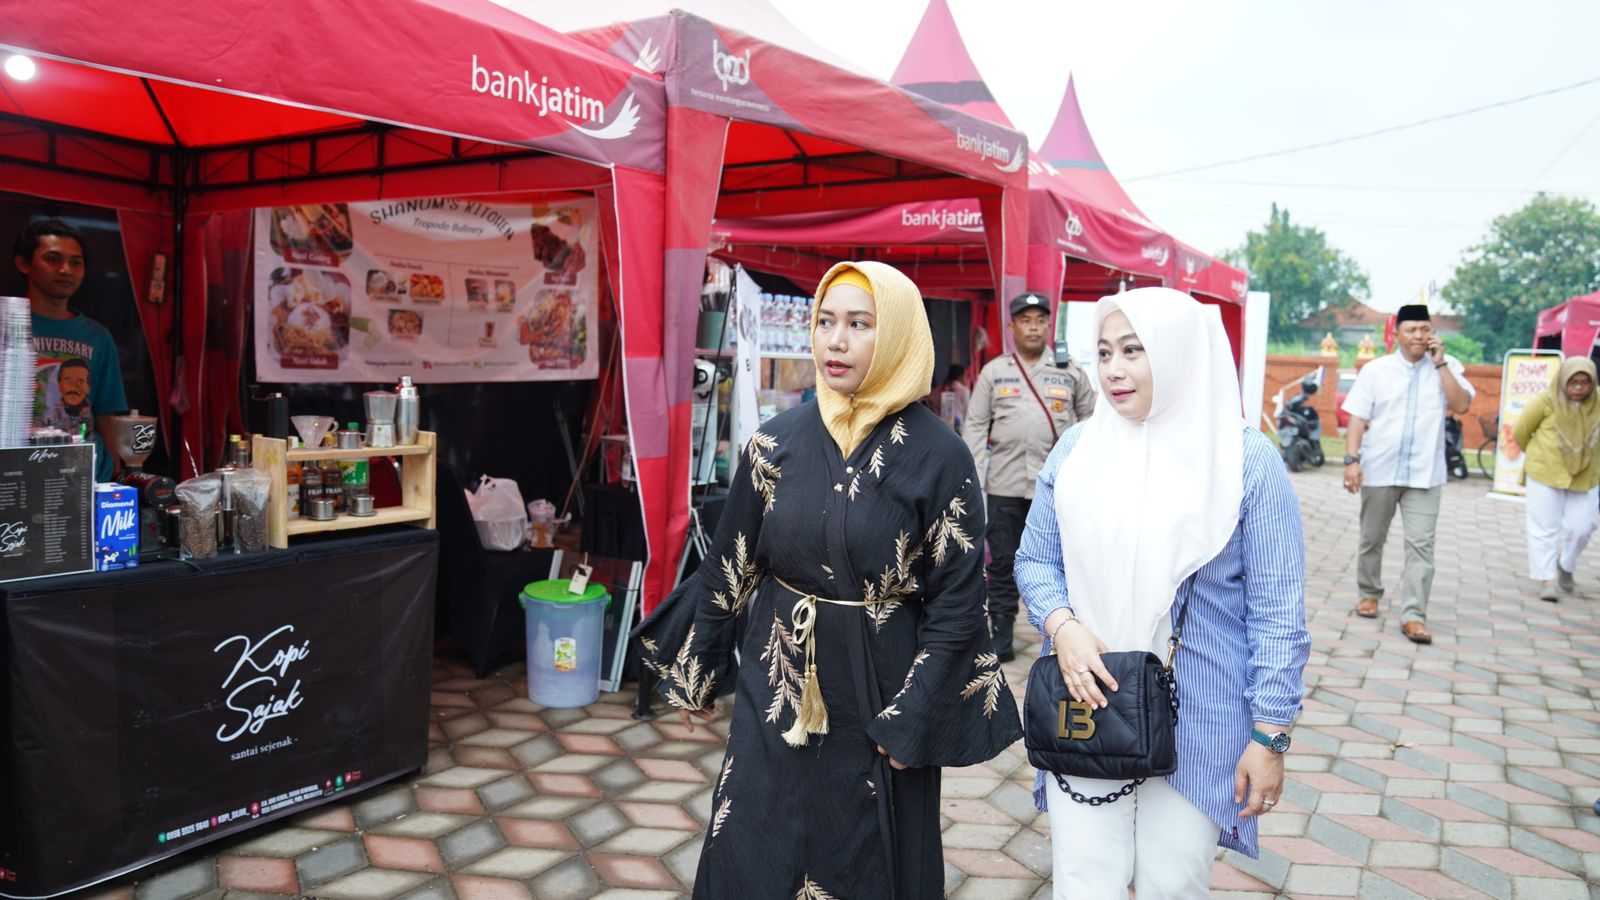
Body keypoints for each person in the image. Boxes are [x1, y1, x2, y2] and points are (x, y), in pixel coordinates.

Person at [636, 261, 1021, 899]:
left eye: (859, 324)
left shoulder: (940, 457)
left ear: (896, 335)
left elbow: (958, 606)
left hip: (881, 689)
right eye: (826, 322)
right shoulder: (774, 444)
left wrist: (913, 720)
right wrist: (696, 670)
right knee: (757, 841)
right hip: (778, 675)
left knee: (864, 853)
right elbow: (730, 562)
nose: (835, 341)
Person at [1016, 287, 1310, 898]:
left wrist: (1270, 736)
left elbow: (1278, 613)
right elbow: (1036, 559)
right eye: (1104, 352)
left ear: (1179, 354)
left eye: (1134, 350)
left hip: (1196, 718)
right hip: (1087, 701)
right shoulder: (1078, 451)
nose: (1114, 369)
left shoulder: (1245, 462)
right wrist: (1061, 626)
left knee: (1170, 884)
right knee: (1083, 880)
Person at [963, 292, 1094, 661]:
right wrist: (976, 475)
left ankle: (1062, 636)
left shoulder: (1069, 372)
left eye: (1040, 320)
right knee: (1002, 563)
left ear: (1049, 326)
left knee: (1060, 563)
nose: (1033, 327)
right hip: (1004, 485)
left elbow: (1094, 419)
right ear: (1012, 327)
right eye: (1025, 320)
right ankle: (1002, 635)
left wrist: (1083, 467)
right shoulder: (995, 372)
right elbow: (975, 424)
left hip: (1056, 489)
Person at [1341, 304, 1473, 644]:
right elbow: (1357, 417)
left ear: (1432, 333)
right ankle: (1369, 593)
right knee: (1372, 538)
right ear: (1396, 333)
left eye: (1424, 329)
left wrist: (1441, 363)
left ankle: (1414, 614)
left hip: (1425, 474)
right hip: (1380, 467)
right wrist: (1352, 461)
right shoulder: (1376, 371)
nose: (1418, 336)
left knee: (1422, 546)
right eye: (1411, 329)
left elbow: (1461, 406)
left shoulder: (1448, 367)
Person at [13, 218, 128, 481]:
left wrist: (112, 474)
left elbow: (106, 414)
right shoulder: (8, 327)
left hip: (82, 474)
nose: (66, 270)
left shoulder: (97, 337)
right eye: (53, 259)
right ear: (23, 264)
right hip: (16, 473)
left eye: (76, 262)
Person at [1513, 357, 1600, 601]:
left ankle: (1566, 567)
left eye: (1585, 383)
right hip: (1545, 471)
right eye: (1573, 383)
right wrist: (1540, 456)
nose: (1579, 388)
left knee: (1582, 527)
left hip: (1585, 476)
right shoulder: (1546, 400)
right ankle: (1547, 579)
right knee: (1544, 528)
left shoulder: (1598, 403)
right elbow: (1521, 432)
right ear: (1563, 381)